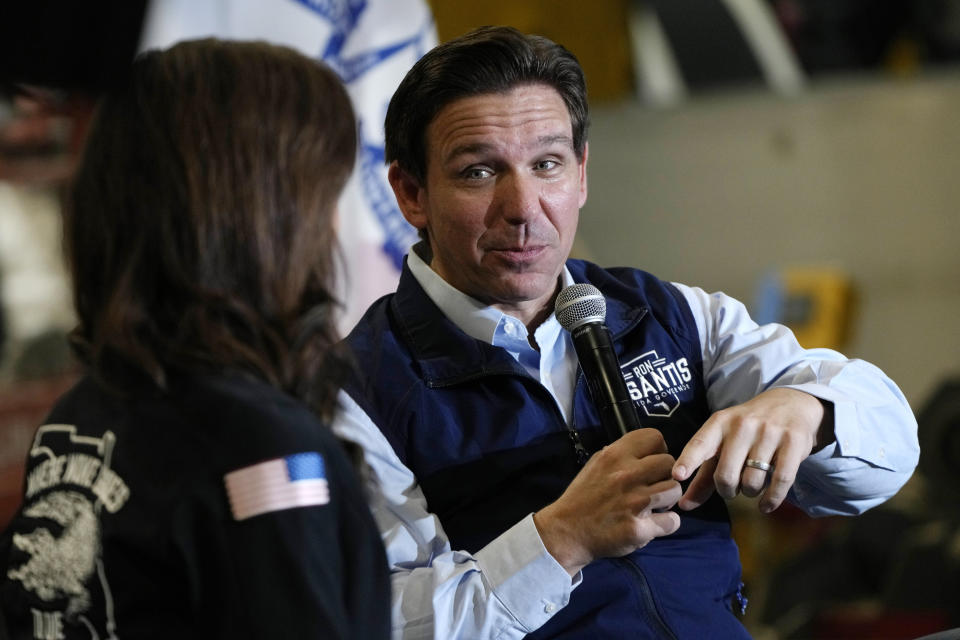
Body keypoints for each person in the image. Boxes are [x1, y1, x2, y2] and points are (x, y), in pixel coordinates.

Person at [333, 25, 920, 639]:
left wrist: (809, 410)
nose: (525, 206)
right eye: (480, 172)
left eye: (548, 164)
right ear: (410, 193)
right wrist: (560, 538)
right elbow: (373, 621)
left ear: (581, 174)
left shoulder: (668, 314)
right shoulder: (358, 393)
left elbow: (889, 455)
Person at [0, 40, 390, 639]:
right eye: (326, 193)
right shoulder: (264, 445)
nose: (336, 224)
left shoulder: (78, 417)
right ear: (267, 216)